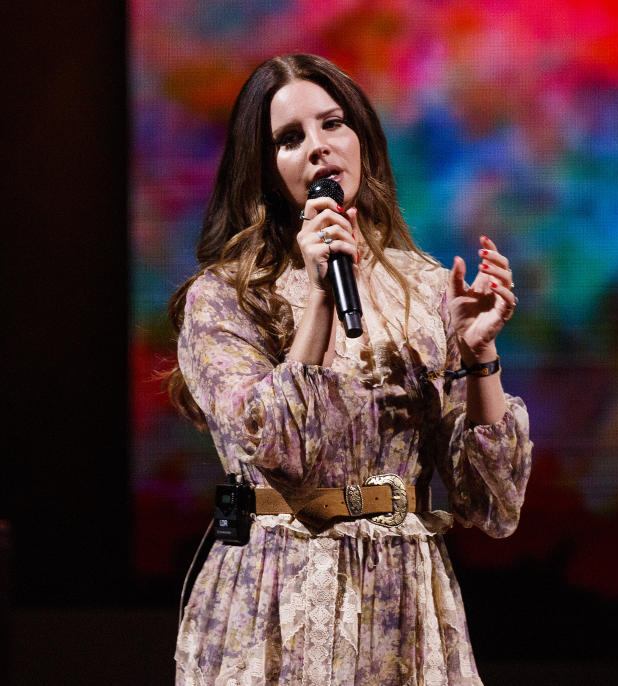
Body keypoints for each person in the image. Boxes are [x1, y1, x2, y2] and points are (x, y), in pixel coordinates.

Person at [165, 54, 532, 685]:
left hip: (401, 605)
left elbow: (492, 501)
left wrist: (478, 358)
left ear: (361, 136)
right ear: (264, 167)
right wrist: (317, 300)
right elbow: (271, 447)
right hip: (271, 597)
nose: (317, 149)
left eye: (332, 124)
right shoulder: (223, 298)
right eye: (289, 138)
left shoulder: (426, 289)